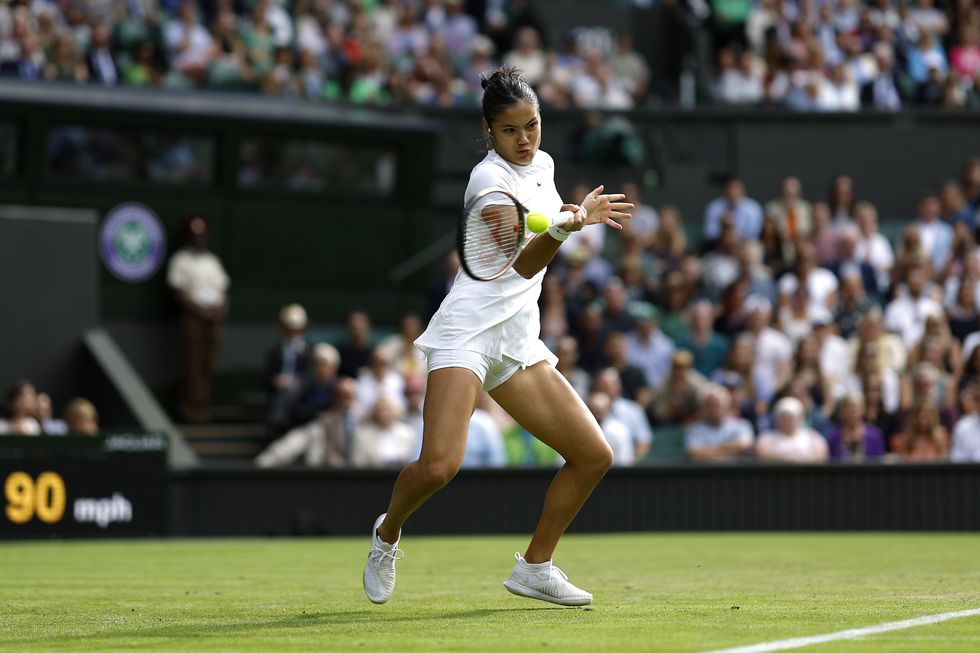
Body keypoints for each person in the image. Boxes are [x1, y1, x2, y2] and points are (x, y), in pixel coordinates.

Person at [363, 66, 632, 607]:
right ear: (488, 131)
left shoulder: (545, 163)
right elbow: (528, 264)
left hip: (516, 341)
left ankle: (535, 567)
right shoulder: (486, 184)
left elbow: (549, 220)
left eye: (532, 125)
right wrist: (566, 226)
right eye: (511, 131)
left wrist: (571, 216)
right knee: (440, 466)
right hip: (468, 331)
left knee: (592, 454)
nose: (525, 139)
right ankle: (387, 533)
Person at [167, 216, 229, 422]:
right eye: (195, 237)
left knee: (208, 362)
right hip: (193, 317)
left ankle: (204, 407)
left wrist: (218, 309)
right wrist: (199, 310)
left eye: (202, 236)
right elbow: (179, 291)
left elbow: (223, 289)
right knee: (192, 362)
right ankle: (190, 410)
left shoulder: (213, 261)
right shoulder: (180, 260)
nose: (199, 240)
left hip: (213, 318)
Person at [255, 376, 357, 468]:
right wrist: (264, 462)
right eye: (340, 395)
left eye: (348, 395)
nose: (344, 400)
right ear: (334, 397)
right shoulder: (323, 422)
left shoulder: (363, 421)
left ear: (356, 397)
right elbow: (292, 444)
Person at [264, 303, 312, 439]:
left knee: (288, 389)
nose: (292, 333)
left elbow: (311, 376)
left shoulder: (310, 350)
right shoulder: (274, 351)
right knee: (284, 390)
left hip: (301, 392)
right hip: (278, 392)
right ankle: (277, 423)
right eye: (289, 329)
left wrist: (294, 381)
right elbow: (266, 376)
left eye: (296, 329)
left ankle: (275, 422)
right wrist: (275, 380)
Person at [683, 385, 755, 462]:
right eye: (709, 405)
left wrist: (707, 451)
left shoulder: (742, 425)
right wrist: (730, 450)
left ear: (726, 405)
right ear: (703, 407)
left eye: (716, 404)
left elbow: (744, 445)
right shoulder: (694, 430)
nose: (713, 409)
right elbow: (694, 453)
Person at [755, 397, 830, 463]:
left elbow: (821, 457)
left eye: (791, 418)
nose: (788, 421)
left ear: (800, 418)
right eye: (783, 417)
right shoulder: (765, 439)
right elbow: (763, 457)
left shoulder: (814, 439)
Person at [826, 394, 886, 461]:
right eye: (849, 408)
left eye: (856, 408)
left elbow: (880, 462)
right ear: (842, 411)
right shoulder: (833, 436)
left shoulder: (874, 435)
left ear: (863, 409)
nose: (853, 413)